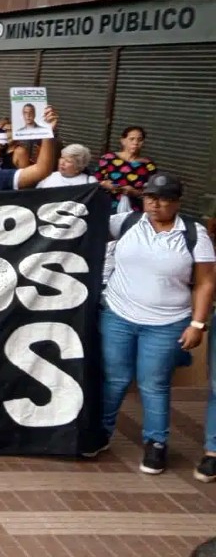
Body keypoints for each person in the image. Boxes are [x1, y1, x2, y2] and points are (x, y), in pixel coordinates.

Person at [91, 173, 215, 475]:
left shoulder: (193, 234)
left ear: (177, 202)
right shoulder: (128, 222)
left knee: (153, 384)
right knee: (114, 379)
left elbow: (206, 282)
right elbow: (86, 227)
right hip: (118, 315)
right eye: (149, 197)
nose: (154, 204)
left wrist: (197, 324)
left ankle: (156, 444)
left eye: (162, 199)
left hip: (166, 322)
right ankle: (100, 433)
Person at [96, 126, 157, 213]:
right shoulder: (108, 158)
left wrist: (134, 192)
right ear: (123, 140)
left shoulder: (148, 165)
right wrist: (105, 184)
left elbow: (152, 192)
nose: (135, 143)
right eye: (131, 139)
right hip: (105, 205)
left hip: (134, 209)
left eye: (139, 140)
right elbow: (94, 180)